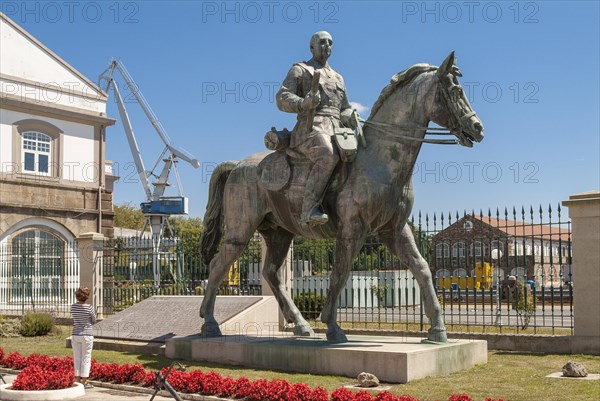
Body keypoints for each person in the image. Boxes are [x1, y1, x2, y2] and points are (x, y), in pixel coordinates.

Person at [276, 31, 358, 226]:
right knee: (328, 154)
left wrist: (350, 116)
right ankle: (309, 208)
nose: (327, 46)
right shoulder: (301, 69)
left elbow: (344, 108)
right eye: (322, 42)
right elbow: (281, 98)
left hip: (337, 129)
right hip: (309, 128)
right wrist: (304, 103)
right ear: (311, 47)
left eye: (330, 42)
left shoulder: (338, 77)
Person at [71, 287, 96, 389]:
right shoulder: (89, 307)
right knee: (86, 358)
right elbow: (94, 319)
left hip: (75, 334)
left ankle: (77, 380)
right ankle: (84, 381)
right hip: (87, 334)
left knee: (77, 357)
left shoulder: (73, 307)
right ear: (86, 297)